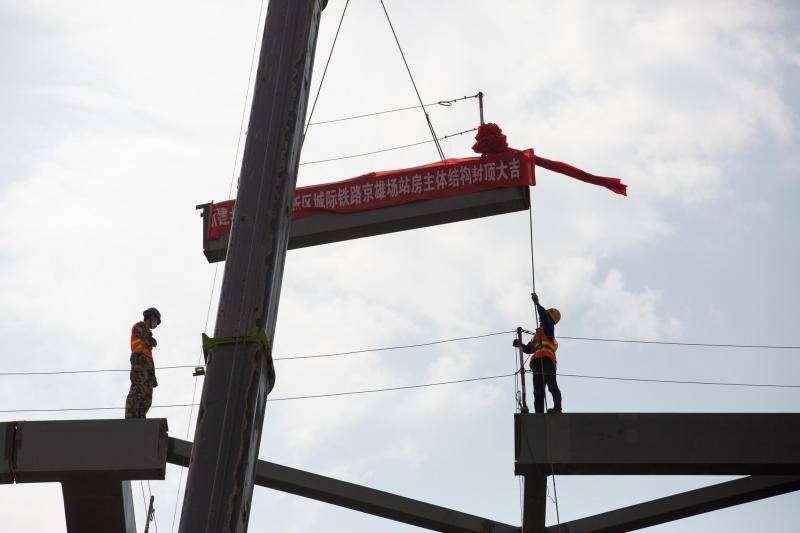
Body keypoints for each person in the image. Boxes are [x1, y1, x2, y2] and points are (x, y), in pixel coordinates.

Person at [513, 293, 562, 413]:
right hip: (537, 363)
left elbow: (544, 317)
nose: (542, 317)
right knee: (538, 391)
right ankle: (539, 413)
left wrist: (537, 304)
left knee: (551, 385)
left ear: (551, 318)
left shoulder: (549, 328)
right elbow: (530, 349)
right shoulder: (537, 335)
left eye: (546, 315)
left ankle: (557, 409)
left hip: (547, 361)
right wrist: (520, 345)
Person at [125, 307, 161, 419]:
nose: (155, 323)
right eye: (155, 320)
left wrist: (152, 375)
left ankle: (140, 418)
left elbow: (149, 356)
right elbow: (145, 340)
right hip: (139, 362)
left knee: (147, 396)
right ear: (151, 316)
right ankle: (131, 417)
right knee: (138, 390)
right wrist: (151, 340)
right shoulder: (139, 326)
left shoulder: (148, 334)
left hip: (147, 366)